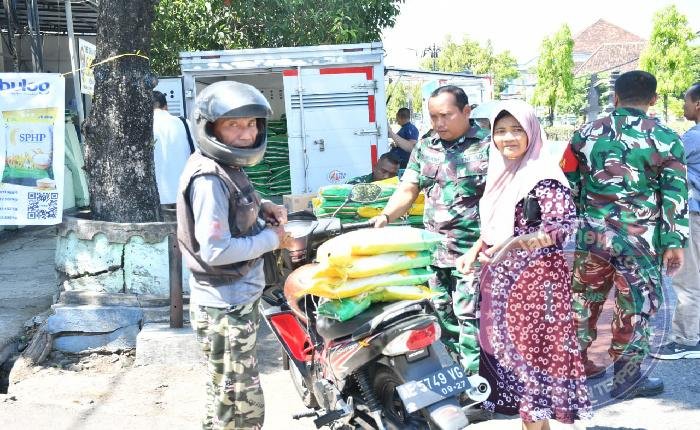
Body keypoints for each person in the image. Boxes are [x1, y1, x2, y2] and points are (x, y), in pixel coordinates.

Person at [456, 100, 591, 429]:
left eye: (517, 130)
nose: (508, 138)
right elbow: (498, 226)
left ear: (531, 132)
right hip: (502, 283)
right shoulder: (502, 172)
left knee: (530, 368)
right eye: (500, 131)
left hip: (535, 286)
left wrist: (511, 246)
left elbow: (559, 230)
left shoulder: (542, 175)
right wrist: (475, 250)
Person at [176, 81, 293, 430]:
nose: (246, 133)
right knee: (239, 406)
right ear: (210, 128)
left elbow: (234, 208)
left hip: (234, 301)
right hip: (225, 308)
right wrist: (271, 240)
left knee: (224, 396)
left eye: (251, 123)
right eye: (233, 125)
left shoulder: (226, 165)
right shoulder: (209, 178)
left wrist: (264, 207)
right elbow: (216, 249)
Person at [565, 70, 688, 399]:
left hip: (592, 237)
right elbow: (674, 195)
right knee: (635, 304)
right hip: (639, 241)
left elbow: (570, 184)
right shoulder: (665, 137)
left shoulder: (584, 134)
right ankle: (626, 378)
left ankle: (573, 371)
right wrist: (674, 242)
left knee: (583, 301)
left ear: (615, 97)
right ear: (653, 100)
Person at [371, 85, 490, 373]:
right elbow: (408, 189)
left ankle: (478, 385)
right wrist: (385, 216)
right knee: (442, 319)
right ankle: (456, 376)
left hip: (473, 255)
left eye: (446, 115)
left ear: (466, 111)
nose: (439, 123)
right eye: (434, 117)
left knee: (472, 322)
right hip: (435, 253)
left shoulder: (488, 147)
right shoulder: (426, 147)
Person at [652, 82, 700, 360]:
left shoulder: (693, 138)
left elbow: (662, 163)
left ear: (698, 105)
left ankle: (686, 340)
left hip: (693, 214)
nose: (683, 106)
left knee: (688, 279)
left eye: (686, 101)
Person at [152, 90, 193, 208]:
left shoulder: (142, 128)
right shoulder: (185, 123)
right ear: (166, 106)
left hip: (157, 197)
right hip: (185, 193)